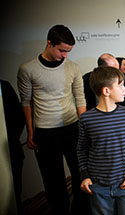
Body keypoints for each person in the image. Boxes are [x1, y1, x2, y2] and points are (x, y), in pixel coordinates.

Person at [17, 24, 89, 214]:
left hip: (72, 126)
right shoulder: (27, 69)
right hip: (45, 131)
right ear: (49, 43)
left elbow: (80, 98)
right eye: (62, 50)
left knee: (80, 173)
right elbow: (26, 102)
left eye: (68, 51)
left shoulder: (73, 67)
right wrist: (31, 131)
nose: (65, 55)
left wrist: (85, 128)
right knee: (53, 179)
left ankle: (80, 210)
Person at [77, 66, 125, 215]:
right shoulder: (86, 119)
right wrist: (85, 176)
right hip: (98, 186)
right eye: (120, 85)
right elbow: (82, 149)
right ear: (106, 91)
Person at [1, 79, 25, 214]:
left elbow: (17, 117)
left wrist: (10, 140)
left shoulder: (3, 87)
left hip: (10, 150)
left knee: (14, 193)